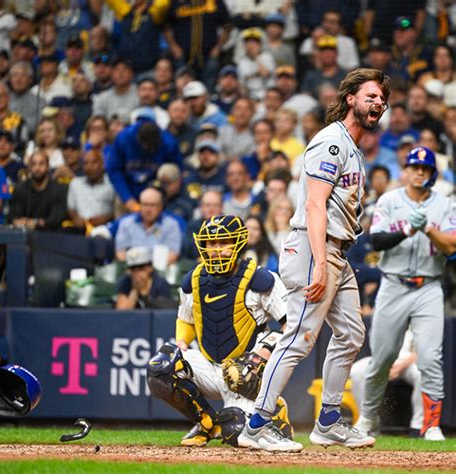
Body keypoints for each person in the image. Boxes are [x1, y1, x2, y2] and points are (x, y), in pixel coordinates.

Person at [238, 68, 391, 451]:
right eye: (371, 95)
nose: (379, 103)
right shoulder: (333, 143)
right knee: (299, 339)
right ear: (350, 98)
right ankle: (256, 424)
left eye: (382, 99)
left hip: (336, 249)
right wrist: (321, 264)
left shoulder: (353, 148)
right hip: (313, 246)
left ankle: (328, 421)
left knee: (352, 334)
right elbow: (314, 203)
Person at [147, 215, 294, 448]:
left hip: (245, 373)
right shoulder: (193, 280)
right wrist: (182, 343)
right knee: (161, 367)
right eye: (211, 244)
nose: (216, 250)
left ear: (237, 243)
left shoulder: (260, 279)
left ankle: (273, 411)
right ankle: (206, 422)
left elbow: (292, 328)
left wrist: (266, 351)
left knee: (235, 431)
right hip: (210, 365)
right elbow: (185, 320)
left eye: (222, 242)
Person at [355, 146, 456, 442]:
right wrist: (408, 231)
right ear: (406, 170)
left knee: (430, 358)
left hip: (428, 285)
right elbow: (377, 241)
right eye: (414, 167)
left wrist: (426, 229)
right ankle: (367, 417)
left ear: (432, 173)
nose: (419, 172)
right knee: (382, 358)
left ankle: (431, 424)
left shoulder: (446, 205)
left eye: (425, 168)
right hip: (394, 284)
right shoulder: (389, 200)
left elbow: (451, 247)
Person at [106, 110, 183, 213]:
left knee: (169, 170)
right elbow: (114, 170)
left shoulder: (168, 142)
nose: (150, 150)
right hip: (129, 188)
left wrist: (167, 191)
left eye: (153, 148)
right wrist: (127, 199)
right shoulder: (123, 139)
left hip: (158, 189)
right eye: (147, 147)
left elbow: (178, 170)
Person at [350, 329, 423, 436]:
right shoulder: (384, 317)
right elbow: (377, 347)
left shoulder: (418, 320)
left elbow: (420, 351)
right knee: (356, 370)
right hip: (381, 360)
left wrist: (398, 368)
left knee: (422, 374)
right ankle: (369, 422)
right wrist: (384, 366)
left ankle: (418, 426)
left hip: (408, 363)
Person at [115, 186, 182, 264]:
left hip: (160, 272)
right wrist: (136, 269)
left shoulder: (171, 225)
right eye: (145, 205)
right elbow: (120, 252)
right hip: (132, 270)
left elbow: (173, 254)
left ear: (160, 206)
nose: (148, 209)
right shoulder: (126, 223)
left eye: (152, 205)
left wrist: (149, 270)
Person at [8, 151, 68, 231]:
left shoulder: (59, 189)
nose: (37, 168)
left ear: (48, 167)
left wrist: (37, 223)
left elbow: (57, 217)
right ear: (29, 167)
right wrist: (17, 221)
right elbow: (13, 215)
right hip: (23, 235)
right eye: (34, 164)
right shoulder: (20, 189)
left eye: (41, 164)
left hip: (52, 236)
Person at [67, 149, 116, 234]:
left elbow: (117, 211)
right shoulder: (75, 183)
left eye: (94, 162)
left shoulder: (113, 184)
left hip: (105, 229)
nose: (89, 167)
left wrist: (107, 218)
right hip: (79, 229)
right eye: (86, 163)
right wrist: (75, 218)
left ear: (102, 164)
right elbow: (71, 208)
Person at [115, 246, 173, 310]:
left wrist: (144, 295)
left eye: (141, 267)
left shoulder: (160, 283)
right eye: (133, 269)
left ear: (150, 267)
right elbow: (121, 313)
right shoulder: (126, 281)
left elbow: (163, 312)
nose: (137, 272)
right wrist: (135, 290)